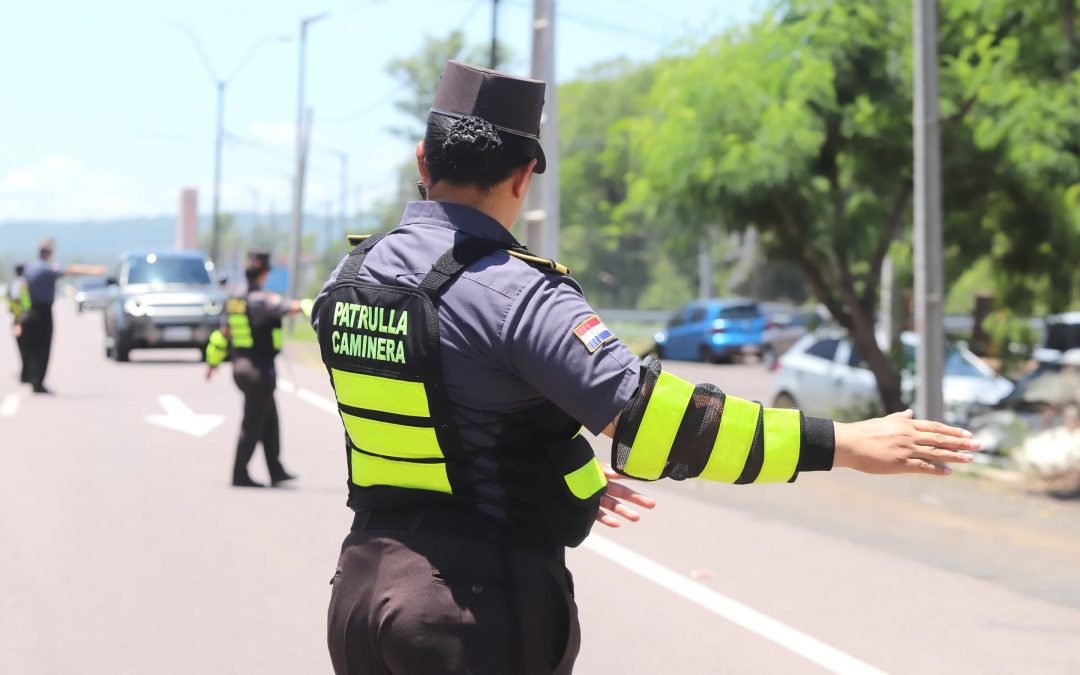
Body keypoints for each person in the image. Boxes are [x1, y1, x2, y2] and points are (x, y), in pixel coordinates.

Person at [311, 61, 981, 675]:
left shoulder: (347, 280)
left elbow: (440, 417)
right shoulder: (512, 292)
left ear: (423, 160)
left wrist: (554, 476)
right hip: (465, 610)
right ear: (522, 177)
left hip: (363, 591)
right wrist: (842, 443)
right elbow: (664, 422)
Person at [205, 252, 310, 488]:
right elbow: (290, 307)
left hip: (241, 367)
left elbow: (224, 333)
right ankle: (239, 474)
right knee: (252, 424)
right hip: (258, 373)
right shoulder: (260, 299)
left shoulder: (235, 299)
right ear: (265, 273)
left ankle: (276, 470)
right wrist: (312, 305)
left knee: (269, 419)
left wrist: (213, 361)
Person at [21, 239, 106, 394]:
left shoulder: (30, 267)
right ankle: (38, 382)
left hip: (29, 310)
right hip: (43, 312)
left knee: (31, 348)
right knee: (43, 348)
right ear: (48, 253)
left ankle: (30, 377)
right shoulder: (47, 268)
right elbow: (70, 270)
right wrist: (94, 270)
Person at [8, 263, 31, 383]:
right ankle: (27, 373)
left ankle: (25, 374)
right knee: (28, 347)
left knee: (23, 347)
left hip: (20, 319)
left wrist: (17, 322)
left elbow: (16, 302)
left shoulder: (17, 283)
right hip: (29, 318)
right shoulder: (27, 282)